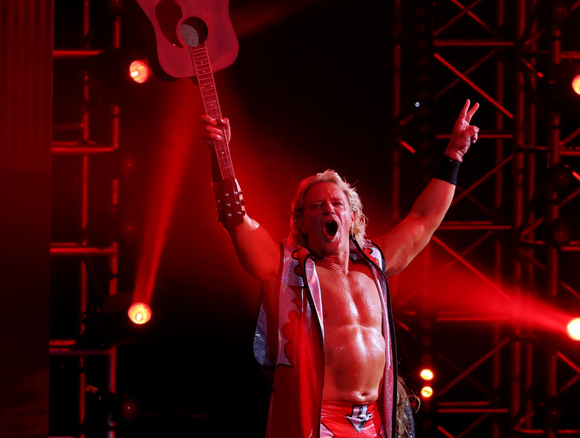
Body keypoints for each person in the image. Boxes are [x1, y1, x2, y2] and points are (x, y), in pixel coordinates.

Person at [201, 100, 480, 438]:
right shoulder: (289, 271)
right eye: (317, 206)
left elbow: (422, 220)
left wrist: (454, 155)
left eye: (336, 204)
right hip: (319, 423)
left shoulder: (375, 263)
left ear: (352, 218)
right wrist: (221, 156)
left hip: (375, 423)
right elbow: (237, 220)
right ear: (302, 222)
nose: (327, 209)